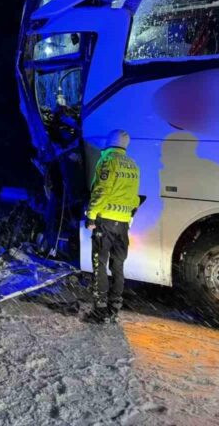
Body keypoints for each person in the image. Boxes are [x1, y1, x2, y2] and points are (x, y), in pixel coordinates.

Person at [84, 129, 140, 324]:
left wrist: (91, 215)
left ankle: (99, 310)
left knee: (99, 262)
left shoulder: (108, 161)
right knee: (118, 265)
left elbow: (101, 190)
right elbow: (134, 198)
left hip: (105, 220)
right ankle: (114, 308)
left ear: (109, 142)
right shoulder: (132, 164)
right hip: (123, 223)